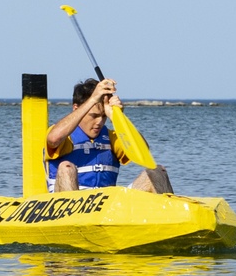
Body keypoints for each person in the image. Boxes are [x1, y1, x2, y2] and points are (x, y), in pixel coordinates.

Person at [44, 78, 172, 194]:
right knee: (66, 167)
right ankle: (73, 219)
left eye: (103, 116)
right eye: (94, 116)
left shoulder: (111, 137)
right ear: (76, 108)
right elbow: (53, 139)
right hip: (70, 206)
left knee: (157, 172)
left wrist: (116, 116)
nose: (99, 122)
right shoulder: (66, 136)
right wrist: (92, 99)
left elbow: (143, 150)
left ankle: (175, 216)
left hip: (105, 206)